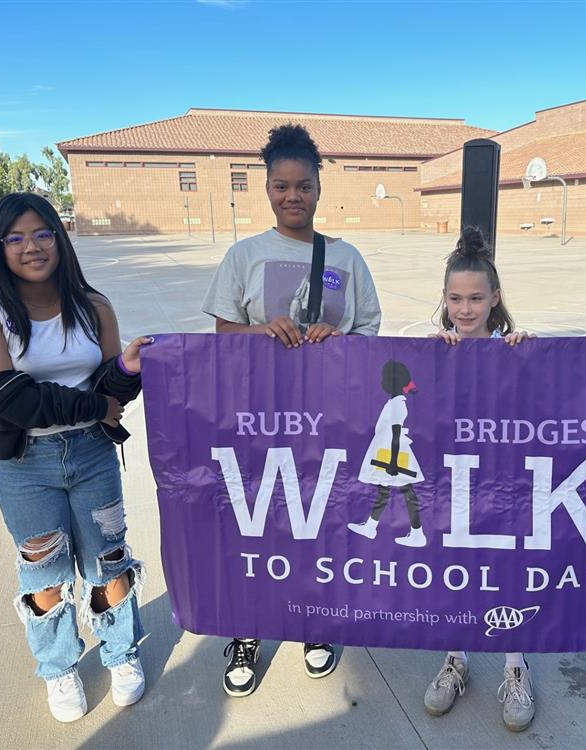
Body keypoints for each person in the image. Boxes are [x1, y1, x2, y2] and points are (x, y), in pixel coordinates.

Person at [202, 122, 382, 697]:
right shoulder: (245, 255)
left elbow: (372, 333)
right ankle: (249, 628)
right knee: (256, 524)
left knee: (320, 521)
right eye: (281, 186)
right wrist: (260, 330)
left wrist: (340, 338)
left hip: (329, 419)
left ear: (319, 188)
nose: (293, 197)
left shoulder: (347, 258)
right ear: (267, 189)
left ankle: (315, 621)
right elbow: (222, 332)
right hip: (258, 417)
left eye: (303, 186)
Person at [0, 192, 153, 722]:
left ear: (59, 238)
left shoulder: (94, 305)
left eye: (42, 233)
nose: (32, 247)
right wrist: (98, 403)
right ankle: (60, 666)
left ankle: (121, 654)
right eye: (16, 237)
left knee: (109, 559)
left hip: (92, 454)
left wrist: (130, 369)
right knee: (44, 571)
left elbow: (111, 386)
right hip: (27, 464)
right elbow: (13, 400)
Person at [422, 227, 537, 732]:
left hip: (503, 485)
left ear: (495, 299)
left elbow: (544, 407)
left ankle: (516, 666)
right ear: (443, 300)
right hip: (450, 487)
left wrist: (533, 358)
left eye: (475, 298)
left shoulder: (512, 349)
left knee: (505, 571)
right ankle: (455, 658)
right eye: (454, 298)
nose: (464, 309)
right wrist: (427, 361)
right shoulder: (434, 349)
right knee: (455, 572)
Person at [348, 359, 426, 547]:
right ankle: (371, 526)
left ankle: (418, 533)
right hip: (387, 450)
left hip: (394, 453)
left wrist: (392, 462)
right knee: (384, 490)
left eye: (384, 379)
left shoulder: (398, 404)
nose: (381, 382)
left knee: (407, 491)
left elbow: (396, 434)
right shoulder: (394, 402)